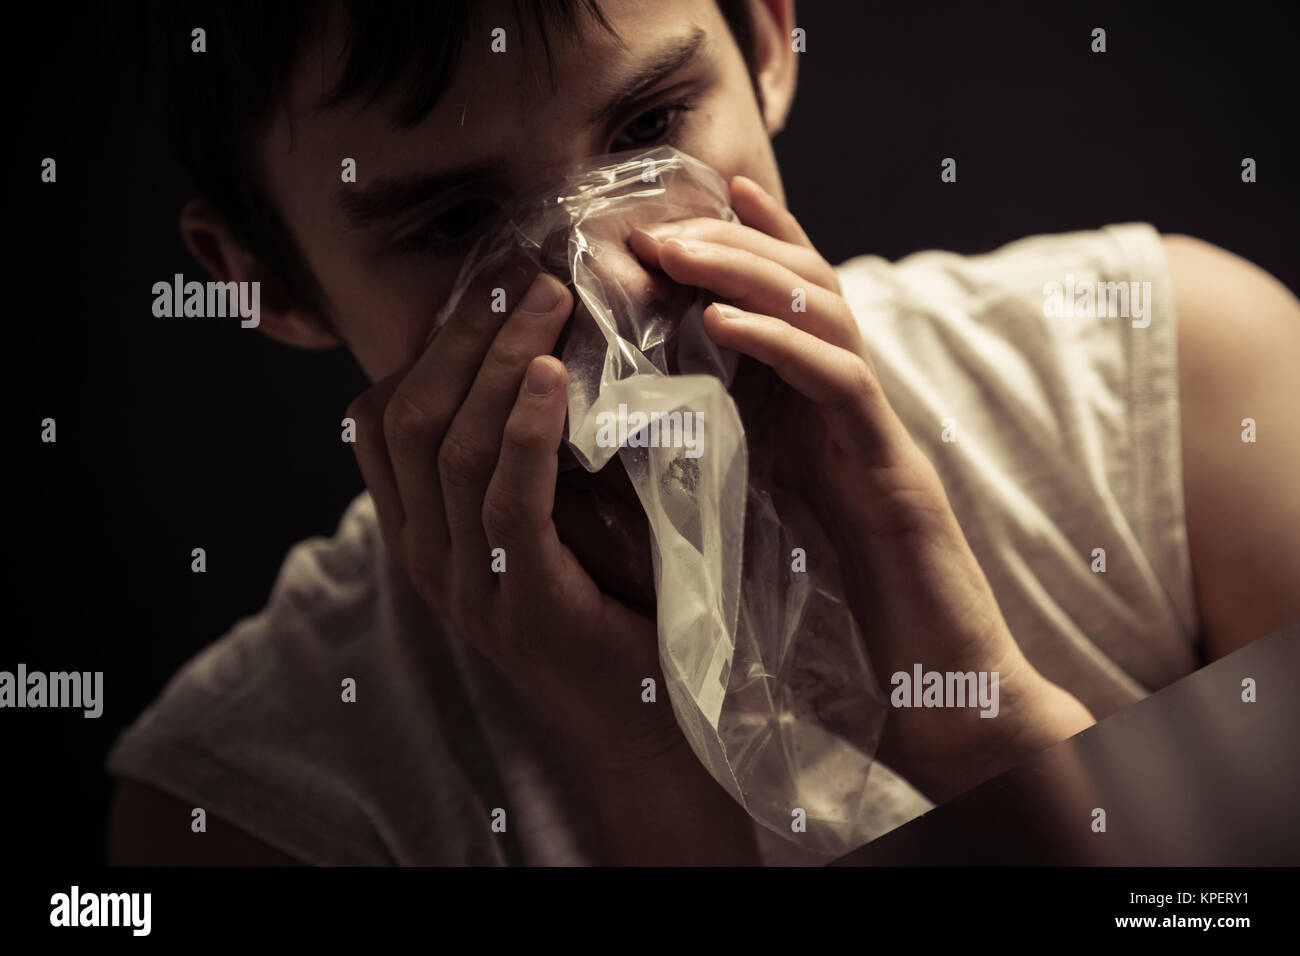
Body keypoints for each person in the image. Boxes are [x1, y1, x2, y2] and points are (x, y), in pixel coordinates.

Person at [104, 0, 1300, 866]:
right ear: (267, 280)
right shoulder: (252, 801)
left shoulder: (1182, 380)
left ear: (769, 40)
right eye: (453, 222)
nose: (610, 286)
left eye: (648, 127)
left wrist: (976, 706)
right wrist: (648, 769)